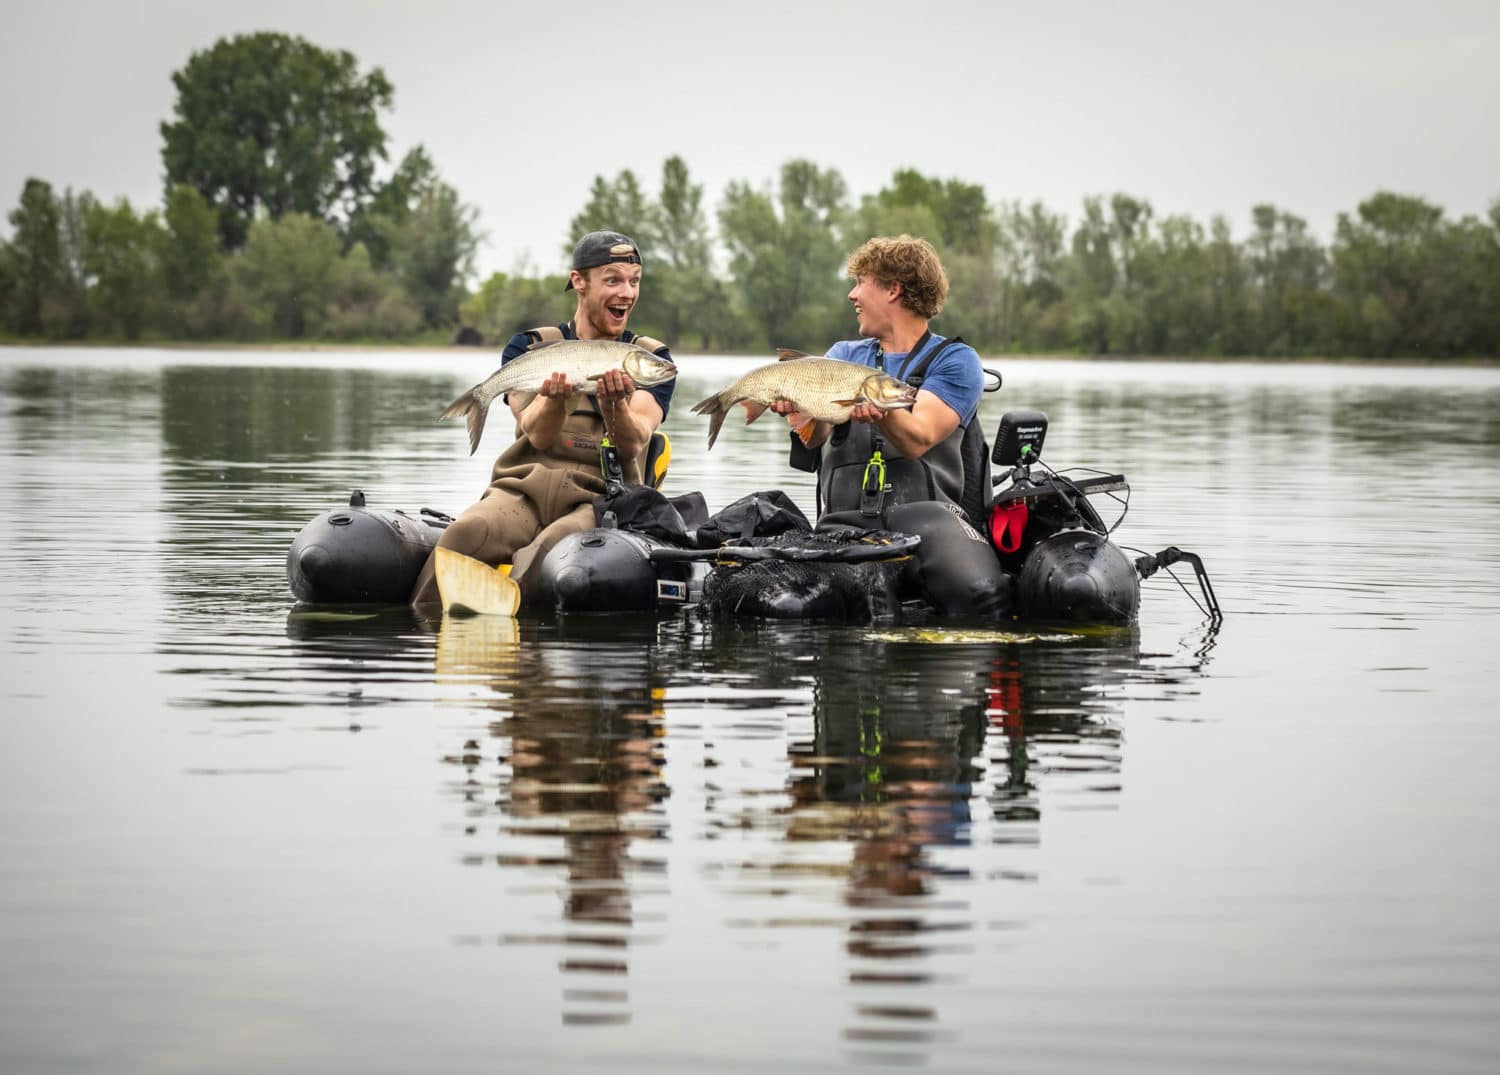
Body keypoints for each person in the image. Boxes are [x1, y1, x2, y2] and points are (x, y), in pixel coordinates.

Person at [410, 230, 675, 607]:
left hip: (597, 501)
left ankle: (517, 645)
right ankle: (418, 635)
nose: (627, 293)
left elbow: (634, 443)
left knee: (545, 553)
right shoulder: (528, 347)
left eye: (634, 282)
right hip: (521, 491)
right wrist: (556, 400)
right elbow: (536, 434)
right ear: (578, 281)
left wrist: (614, 404)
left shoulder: (650, 358)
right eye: (613, 280)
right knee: (463, 534)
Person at [773, 235, 1008, 617]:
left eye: (861, 282)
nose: (852, 295)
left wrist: (877, 405)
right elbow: (815, 439)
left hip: (930, 525)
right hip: (842, 527)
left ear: (893, 289)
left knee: (979, 594)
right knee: (793, 607)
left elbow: (919, 438)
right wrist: (799, 413)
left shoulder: (955, 360)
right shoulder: (842, 356)